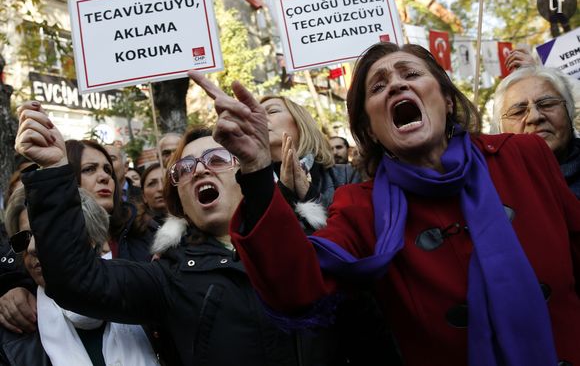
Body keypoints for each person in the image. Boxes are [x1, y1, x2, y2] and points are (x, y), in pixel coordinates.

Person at [188, 42, 580, 366]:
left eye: (410, 74)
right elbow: (296, 288)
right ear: (370, 129)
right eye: (378, 87)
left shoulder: (525, 155)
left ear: (445, 98)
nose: (395, 86)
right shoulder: (361, 207)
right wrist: (256, 171)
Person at [14, 116, 348, 366]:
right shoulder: (167, 276)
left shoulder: (309, 243)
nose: (201, 170)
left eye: (216, 160)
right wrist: (54, 173)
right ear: (180, 201)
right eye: (185, 168)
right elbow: (76, 280)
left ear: (243, 174)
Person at [0, 137, 155, 336]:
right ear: (62, 177)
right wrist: (14, 291)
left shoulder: (145, 232)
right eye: (89, 169)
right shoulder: (27, 263)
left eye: (108, 170)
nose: (104, 177)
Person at [0, 187, 159, 366]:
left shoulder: (144, 299)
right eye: (24, 238)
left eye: (45, 234)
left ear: (90, 239)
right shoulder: (12, 332)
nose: (32, 248)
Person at [261, 95, 360, 232]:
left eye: (272, 111)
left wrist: (310, 195)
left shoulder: (346, 175)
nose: (260, 118)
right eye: (256, 115)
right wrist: (284, 193)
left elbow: (357, 233)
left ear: (300, 122)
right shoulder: (252, 188)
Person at [491, 66, 580, 198]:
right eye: (518, 112)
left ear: (569, 111)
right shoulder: (489, 191)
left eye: (547, 104)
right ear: (500, 129)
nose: (534, 117)